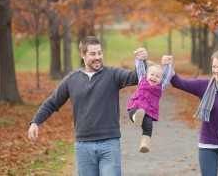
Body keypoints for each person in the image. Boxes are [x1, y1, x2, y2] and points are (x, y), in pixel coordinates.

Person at [27, 36, 147, 176]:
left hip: (109, 144)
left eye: (100, 53)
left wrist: (141, 61)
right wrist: (35, 122)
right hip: (83, 146)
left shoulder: (112, 75)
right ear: (82, 55)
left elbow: (136, 77)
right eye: (93, 54)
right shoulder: (71, 80)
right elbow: (52, 103)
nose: (98, 57)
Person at [127, 55, 173, 153]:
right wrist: (139, 58)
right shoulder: (141, 80)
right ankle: (136, 119)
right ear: (146, 75)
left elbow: (168, 76)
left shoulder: (161, 87)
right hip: (136, 105)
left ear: (161, 79)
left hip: (149, 111)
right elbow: (140, 68)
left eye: (158, 76)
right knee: (133, 112)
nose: (154, 77)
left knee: (148, 125)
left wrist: (167, 65)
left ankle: (144, 144)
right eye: (152, 75)